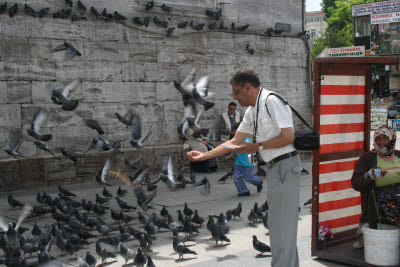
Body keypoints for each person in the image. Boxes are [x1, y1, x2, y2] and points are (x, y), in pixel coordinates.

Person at [187, 70, 302, 267]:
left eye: (236, 91)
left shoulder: (271, 101)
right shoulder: (252, 110)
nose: (234, 97)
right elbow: (235, 141)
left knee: (282, 230)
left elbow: (289, 136)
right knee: (278, 229)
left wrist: (257, 146)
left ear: (248, 87)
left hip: (286, 167)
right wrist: (205, 155)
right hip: (274, 170)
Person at [351, 126, 400, 229]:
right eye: (378, 138)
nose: (381, 142)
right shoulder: (367, 158)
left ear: (392, 139)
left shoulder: (398, 155)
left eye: (385, 138)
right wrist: (369, 175)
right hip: (380, 207)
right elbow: (355, 183)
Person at [225, 123, 263, 196]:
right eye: (234, 133)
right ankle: (244, 191)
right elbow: (234, 149)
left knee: (248, 178)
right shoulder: (235, 141)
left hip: (247, 163)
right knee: (236, 177)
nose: (236, 135)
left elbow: (252, 150)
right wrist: (230, 156)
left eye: (238, 133)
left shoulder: (247, 140)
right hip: (238, 163)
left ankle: (258, 181)